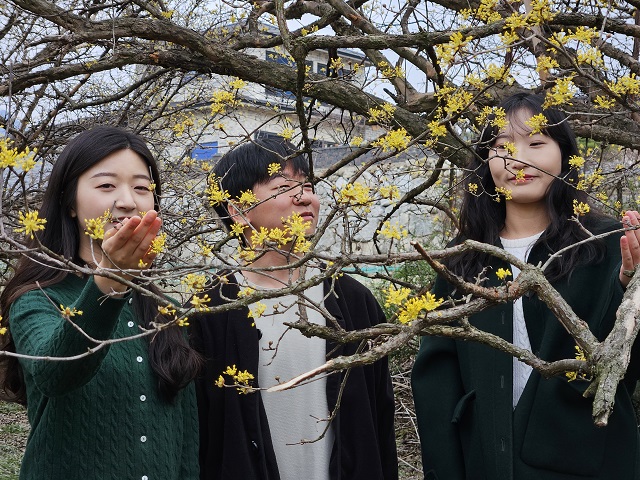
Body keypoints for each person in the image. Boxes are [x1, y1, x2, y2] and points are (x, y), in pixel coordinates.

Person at [411, 92, 640, 480]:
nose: (518, 159)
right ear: (486, 161)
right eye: (502, 147)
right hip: (485, 459)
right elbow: (436, 382)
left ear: (564, 155)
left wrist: (628, 288)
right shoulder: (463, 257)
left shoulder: (604, 244)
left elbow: (621, 367)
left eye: (536, 143)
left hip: (586, 463)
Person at [189, 138, 398, 480]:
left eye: (308, 186)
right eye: (284, 187)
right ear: (238, 211)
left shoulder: (352, 299)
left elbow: (380, 421)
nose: (305, 197)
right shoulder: (210, 309)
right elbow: (200, 434)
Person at [0, 126, 201, 480]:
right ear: (70, 203)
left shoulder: (164, 308)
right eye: (106, 185)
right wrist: (108, 280)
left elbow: (184, 439)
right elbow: (56, 372)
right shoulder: (35, 297)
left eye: (142, 188)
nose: (127, 201)